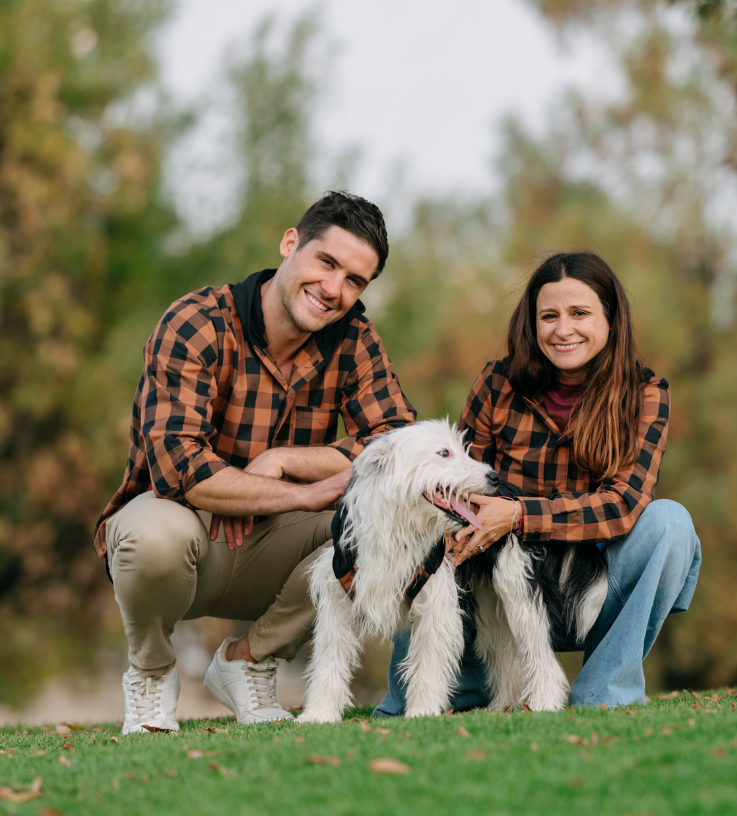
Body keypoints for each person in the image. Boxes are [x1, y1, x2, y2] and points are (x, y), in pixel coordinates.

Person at [94, 192, 415, 734]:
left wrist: (286, 460)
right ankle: (150, 674)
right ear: (291, 244)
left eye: (355, 281)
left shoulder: (354, 338)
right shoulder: (198, 322)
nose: (335, 290)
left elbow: (397, 442)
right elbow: (179, 466)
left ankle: (250, 661)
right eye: (327, 263)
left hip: (274, 551)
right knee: (150, 537)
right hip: (185, 538)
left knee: (383, 519)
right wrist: (302, 493)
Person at [375, 250, 700, 713]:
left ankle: (606, 695)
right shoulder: (497, 383)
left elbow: (623, 504)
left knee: (670, 522)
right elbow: (462, 489)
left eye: (579, 313)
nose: (562, 329)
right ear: (532, 323)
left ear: (611, 319)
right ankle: (455, 687)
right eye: (548, 316)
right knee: (429, 520)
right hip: (497, 583)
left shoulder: (646, 393)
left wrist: (519, 514)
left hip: (590, 585)